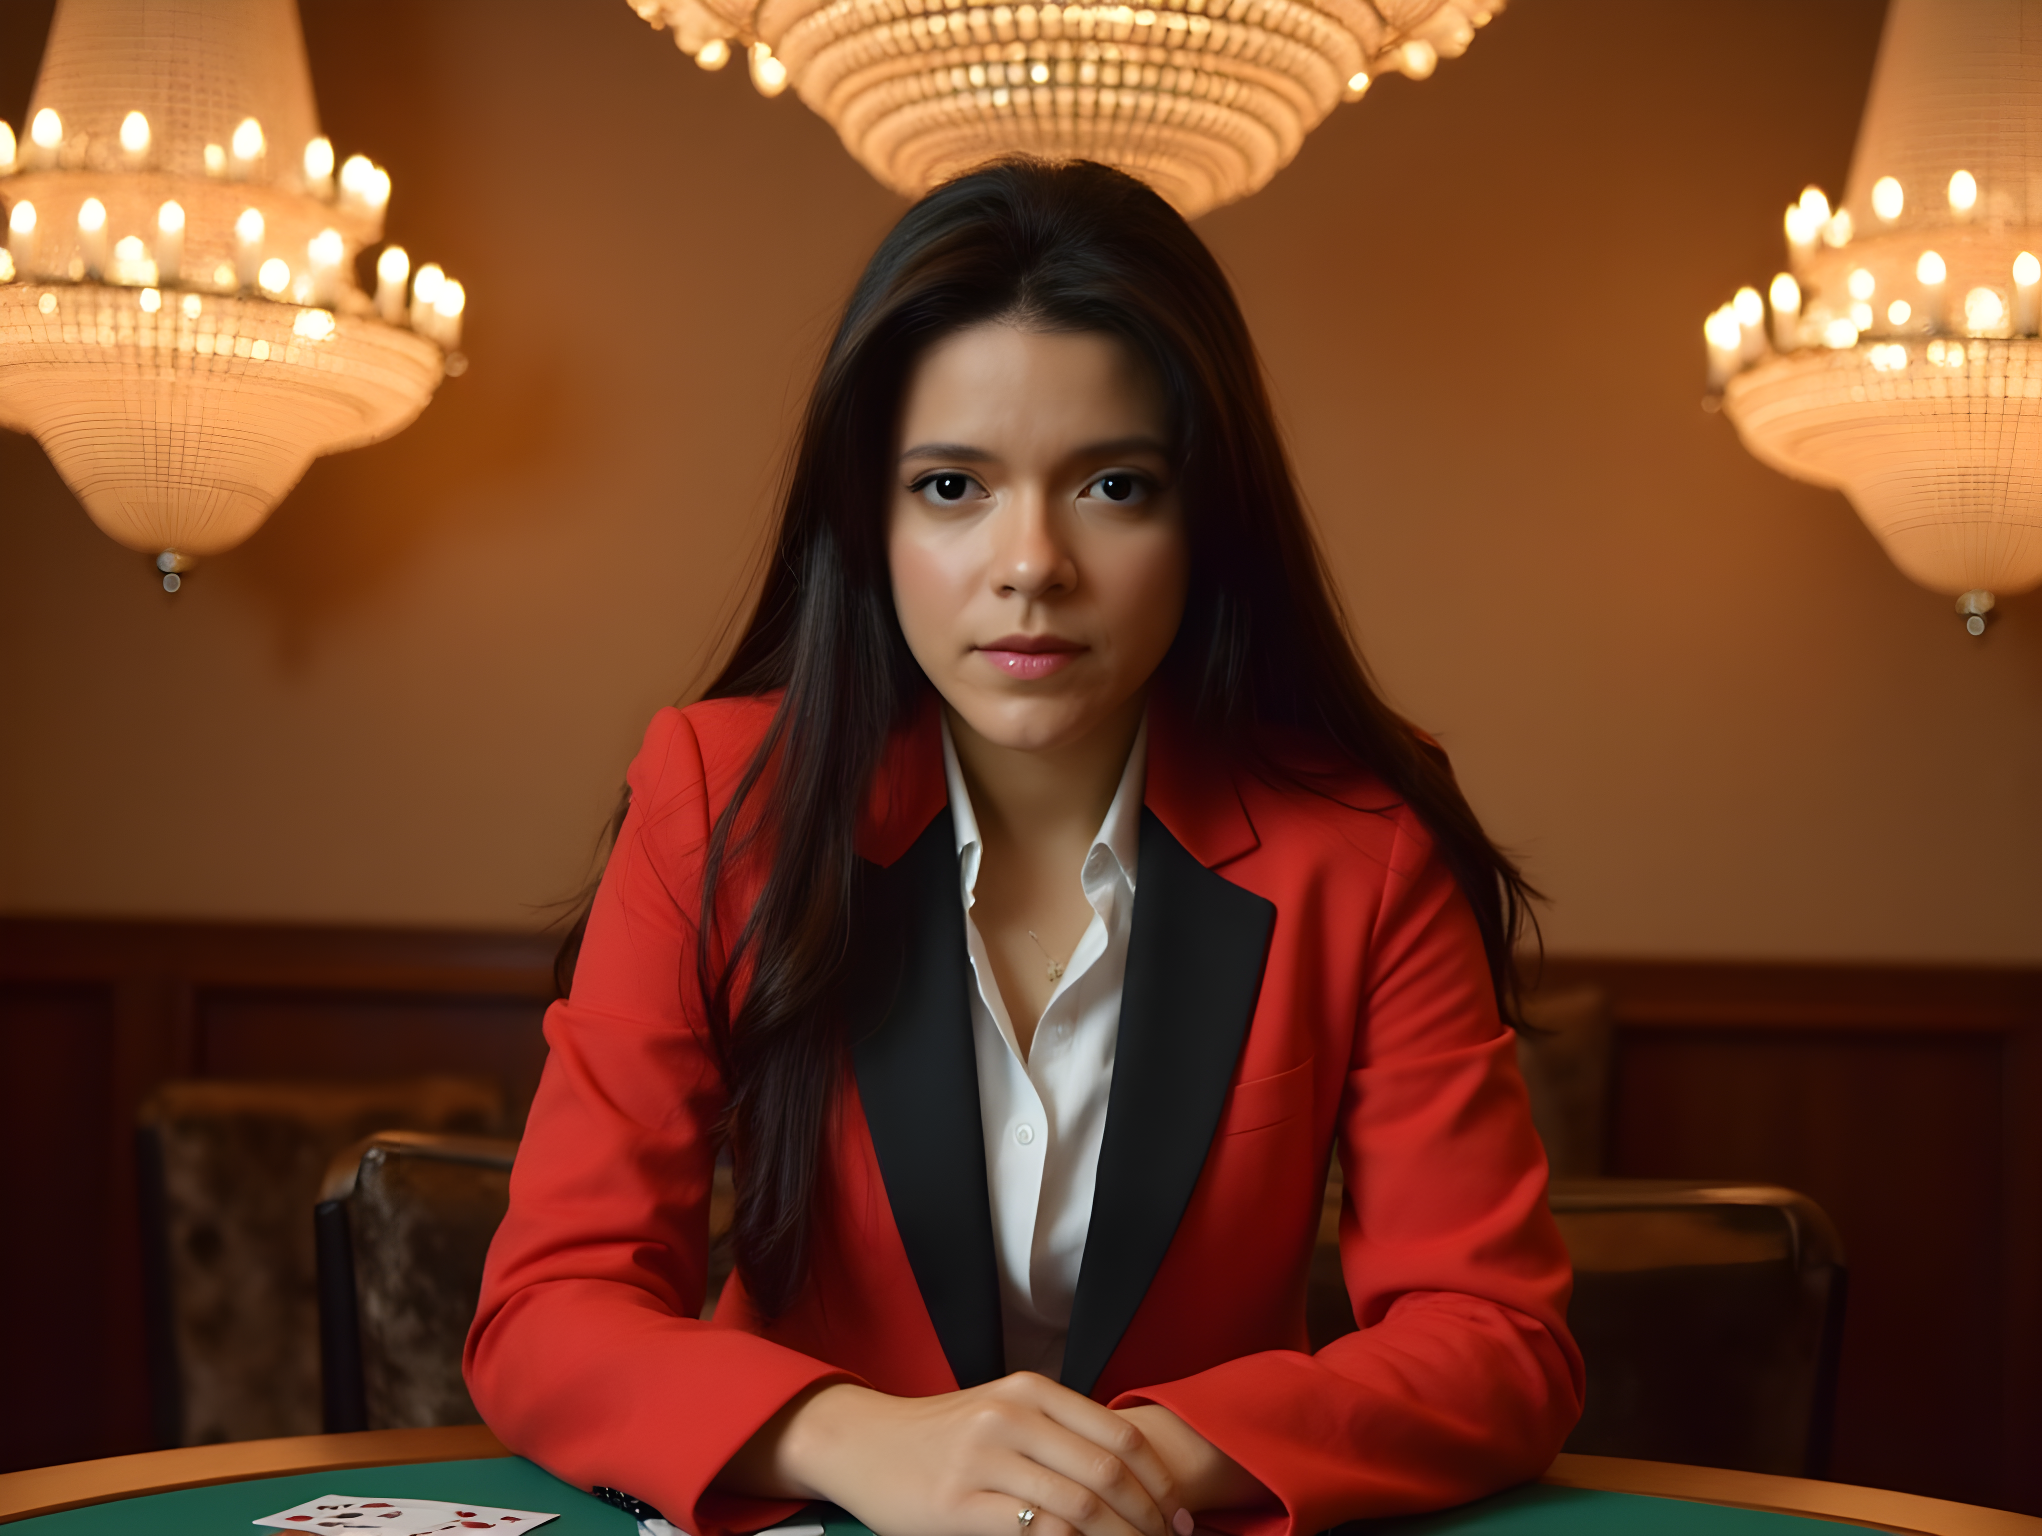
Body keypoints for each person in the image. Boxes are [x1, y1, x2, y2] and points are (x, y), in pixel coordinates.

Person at [465, 159, 1582, 1536]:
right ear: (868, 526)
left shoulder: (1362, 848)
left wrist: (1148, 1465)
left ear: (1204, 525)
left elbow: (1495, 1339)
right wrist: (856, 1442)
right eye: (952, 486)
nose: (1032, 562)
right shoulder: (714, 800)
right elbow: (546, 1312)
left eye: (1114, 484)